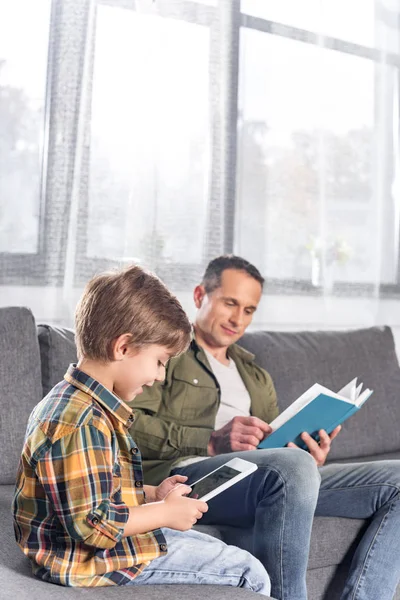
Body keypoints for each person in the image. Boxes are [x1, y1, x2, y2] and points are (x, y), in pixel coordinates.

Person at [130, 255, 400, 600]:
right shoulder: (168, 353)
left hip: (267, 477)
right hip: (191, 476)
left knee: (394, 481)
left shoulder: (255, 374)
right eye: (230, 303)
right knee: (292, 469)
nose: (238, 319)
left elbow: (277, 447)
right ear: (200, 295)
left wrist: (304, 453)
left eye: (249, 310)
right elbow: (130, 427)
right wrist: (212, 442)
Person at [12, 265, 271, 595]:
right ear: (123, 347)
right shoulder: (80, 422)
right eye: (160, 361)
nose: (161, 376)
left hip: (91, 550)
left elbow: (95, 486)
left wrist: (153, 495)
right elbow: (95, 525)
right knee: (250, 571)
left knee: (213, 547)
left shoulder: (83, 405)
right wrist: (163, 513)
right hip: (88, 560)